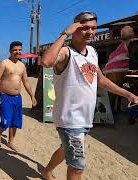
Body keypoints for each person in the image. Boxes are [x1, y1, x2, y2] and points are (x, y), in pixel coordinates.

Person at [40, 11, 138, 180]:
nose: (91, 32)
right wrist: (65, 33)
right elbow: (46, 62)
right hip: (70, 119)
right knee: (77, 167)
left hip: (85, 118)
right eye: (85, 28)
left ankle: (47, 171)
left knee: (65, 148)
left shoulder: (92, 52)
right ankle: (48, 171)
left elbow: (101, 81)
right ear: (75, 28)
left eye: (93, 28)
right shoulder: (66, 52)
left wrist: (128, 94)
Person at [0, 41, 37, 152]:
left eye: (19, 50)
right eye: (15, 50)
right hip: (5, 96)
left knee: (15, 121)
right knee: (6, 121)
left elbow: (26, 81)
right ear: (10, 51)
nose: (18, 52)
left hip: (17, 98)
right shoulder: (4, 63)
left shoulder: (22, 65)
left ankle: (10, 141)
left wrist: (32, 96)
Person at [103, 25, 135, 109]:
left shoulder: (121, 44)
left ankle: (110, 111)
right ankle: (110, 113)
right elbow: (132, 57)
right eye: (132, 31)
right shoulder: (130, 43)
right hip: (117, 70)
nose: (134, 32)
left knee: (112, 91)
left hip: (110, 69)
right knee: (114, 92)